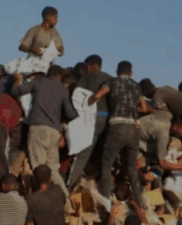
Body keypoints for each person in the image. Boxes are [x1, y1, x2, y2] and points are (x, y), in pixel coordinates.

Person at [11, 66, 78, 202]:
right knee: (53, 170)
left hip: (38, 129)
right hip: (54, 133)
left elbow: (16, 91)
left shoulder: (39, 81)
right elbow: (71, 114)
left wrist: (16, 81)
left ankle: (40, 202)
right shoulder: (63, 89)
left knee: (39, 169)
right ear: (59, 77)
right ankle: (66, 201)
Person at [90, 61, 146, 203]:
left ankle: (106, 201)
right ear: (131, 73)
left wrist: (87, 103)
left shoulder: (111, 82)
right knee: (131, 168)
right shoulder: (136, 85)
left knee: (106, 165)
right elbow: (144, 108)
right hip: (134, 128)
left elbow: (97, 96)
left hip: (117, 126)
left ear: (117, 72)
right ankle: (140, 201)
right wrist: (132, 109)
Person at [66, 55, 115, 188]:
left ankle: (69, 186)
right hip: (105, 119)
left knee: (81, 154)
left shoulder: (87, 77)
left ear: (88, 66)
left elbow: (76, 97)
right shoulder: (110, 79)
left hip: (90, 118)